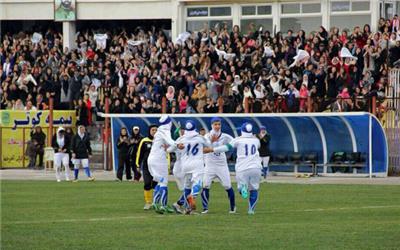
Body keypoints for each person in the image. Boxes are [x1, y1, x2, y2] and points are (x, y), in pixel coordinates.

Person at [207, 122, 262, 215]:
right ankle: (251, 210)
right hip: (256, 167)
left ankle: (242, 188)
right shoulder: (256, 140)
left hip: (242, 167)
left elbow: (226, 147)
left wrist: (213, 149)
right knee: (254, 189)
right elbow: (258, 146)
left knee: (240, 187)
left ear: (242, 131)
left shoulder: (238, 140)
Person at [174, 120, 210, 214]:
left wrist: (177, 146)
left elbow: (170, 149)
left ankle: (183, 207)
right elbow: (209, 145)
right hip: (196, 164)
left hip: (183, 166)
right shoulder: (199, 138)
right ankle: (192, 198)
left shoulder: (180, 139)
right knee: (197, 184)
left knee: (187, 187)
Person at [201, 117, 236, 214]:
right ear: (211, 125)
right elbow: (202, 150)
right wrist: (211, 143)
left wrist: (228, 149)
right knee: (206, 185)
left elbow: (234, 143)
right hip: (210, 165)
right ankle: (205, 208)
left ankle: (233, 208)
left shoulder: (225, 136)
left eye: (219, 124)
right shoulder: (207, 137)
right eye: (215, 124)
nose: (217, 126)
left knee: (227, 186)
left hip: (222, 165)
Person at [147, 115, 178, 214]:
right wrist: (178, 144)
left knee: (159, 181)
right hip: (159, 159)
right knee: (164, 182)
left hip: (152, 158)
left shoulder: (159, 131)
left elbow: (166, 144)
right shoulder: (165, 130)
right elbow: (170, 142)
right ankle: (163, 205)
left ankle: (155, 203)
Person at [136, 125, 158, 210]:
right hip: (146, 166)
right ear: (149, 131)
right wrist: (137, 165)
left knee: (157, 184)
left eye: (156, 130)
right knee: (147, 183)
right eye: (153, 130)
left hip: (157, 166)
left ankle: (156, 202)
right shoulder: (144, 141)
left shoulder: (160, 140)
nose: (154, 132)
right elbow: (139, 153)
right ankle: (148, 202)